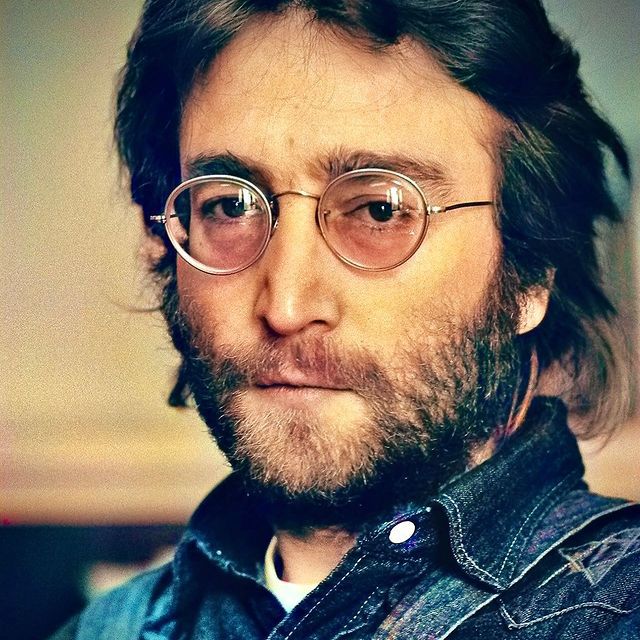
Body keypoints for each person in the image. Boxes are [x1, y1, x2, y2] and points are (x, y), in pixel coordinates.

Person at [51, 0, 639, 638]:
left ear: (529, 274)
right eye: (228, 206)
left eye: (380, 210)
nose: (285, 307)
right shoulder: (103, 629)